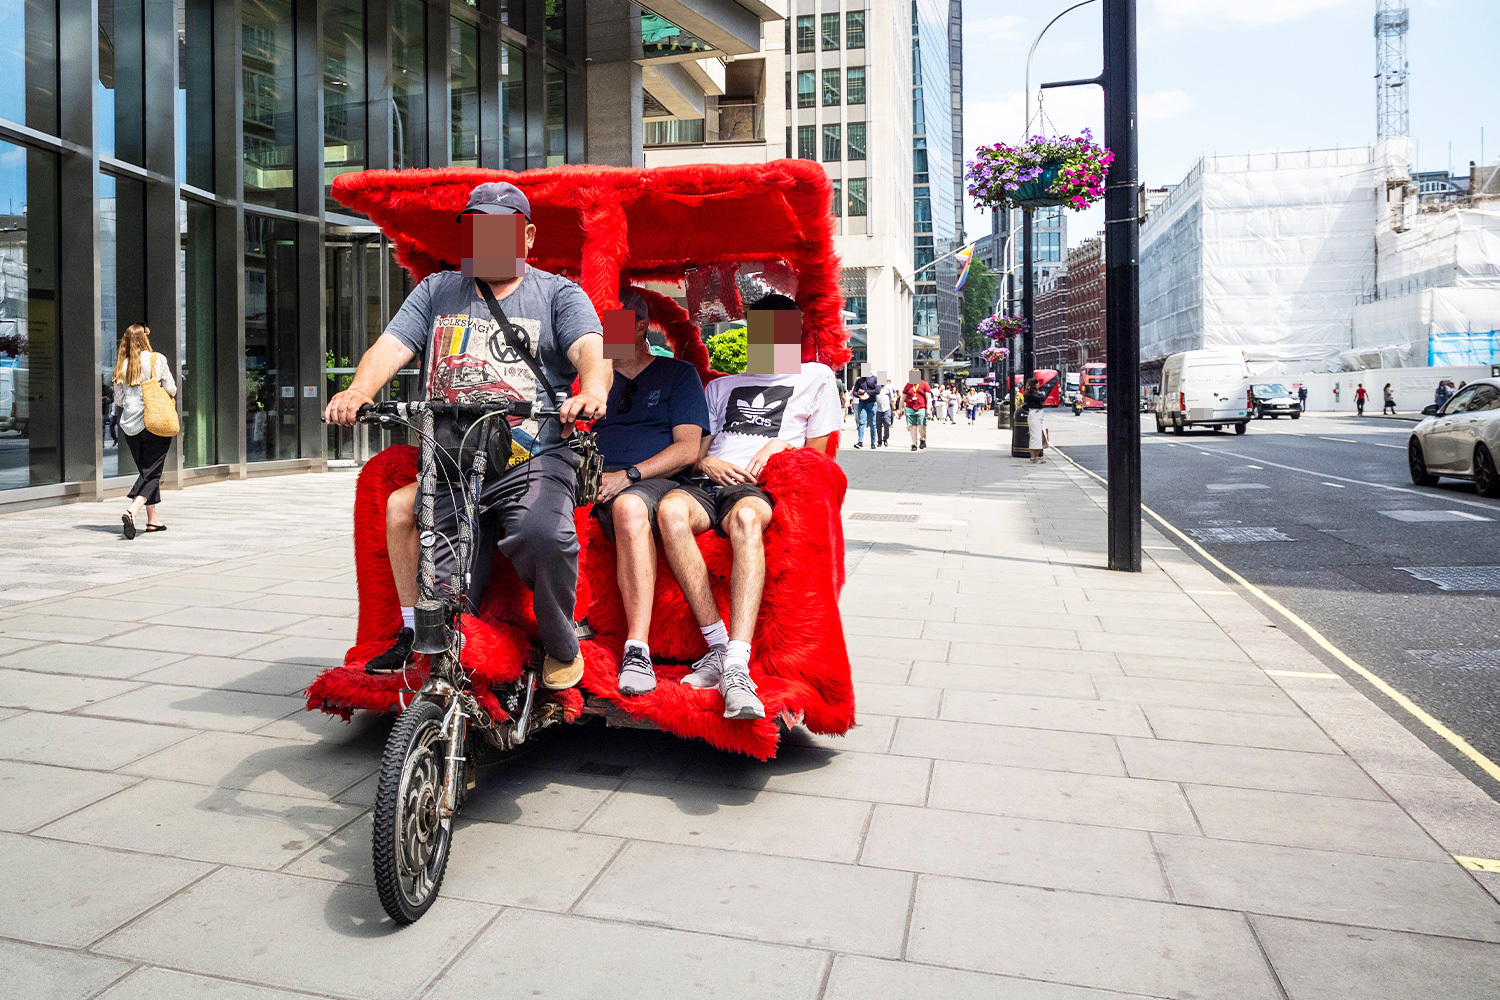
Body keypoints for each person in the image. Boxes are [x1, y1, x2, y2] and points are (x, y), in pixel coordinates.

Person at [324, 181, 610, 691]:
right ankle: (414, 633)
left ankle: (562, 642)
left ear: (527, 237)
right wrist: (358, 389)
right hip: (453, 462)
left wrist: (592, 390)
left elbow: (592, 348)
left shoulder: (558, 293)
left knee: (543, 534)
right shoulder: (437, 290)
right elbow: (391, 345)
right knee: (417, 538)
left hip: (533, 455)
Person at [650, 293, 843, 720]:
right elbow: (693, 450)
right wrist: (707, 460)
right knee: (670, 512)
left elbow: (821, 459)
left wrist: (779, 444)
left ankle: (737, 661)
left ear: (794, 335)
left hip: (758, 485)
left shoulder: (816, 378)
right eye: (762, 332)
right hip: (709, 479)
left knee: (745, 518)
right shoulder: (720, 386)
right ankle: (719, 648)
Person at [589, 289, 710, 696]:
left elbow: (689, 448)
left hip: (651, 481)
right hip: (591, 476)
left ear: (640, 326)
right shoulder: (594, 379)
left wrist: (631, 474)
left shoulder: (677, 375)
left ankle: (636, 648)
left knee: (629, 506)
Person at [112, 324, 176, 539]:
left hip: (130, 426)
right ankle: (132, 511)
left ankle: (153, 520)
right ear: (144, 338)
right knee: (152, 473)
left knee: (147, 472)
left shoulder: (122, 365)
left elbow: (119, 400)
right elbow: (171, 388)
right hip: (154, 422)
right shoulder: (156, 359)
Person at [902, 370, 931, 451]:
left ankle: (922, 438)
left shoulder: (924, 384)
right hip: (910, 408)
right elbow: (903, 398)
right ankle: (914, 443)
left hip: (921, 408)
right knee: (912, 426)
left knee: (922, 426)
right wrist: (900, 409)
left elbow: (928, 397)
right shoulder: (908, 385)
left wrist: (928, 409)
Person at [851, 371, 879, 449]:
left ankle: (873, 442)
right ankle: (860, 441)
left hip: (872, 403)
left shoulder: (874, 379)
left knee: (873, 423)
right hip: (862, 403)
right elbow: (854, 392)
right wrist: (859, 395)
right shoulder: (859, 380)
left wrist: (866, 392)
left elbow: (878, 390)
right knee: (861, 422)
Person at [1024, 377, 1047, 464]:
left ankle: (1036, 456)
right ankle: (1033, 457)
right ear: (1035, 384)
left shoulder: (1035, 393)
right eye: (1037, 384)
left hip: (1039, 415)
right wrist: (1040, 395)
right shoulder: (1030, 393)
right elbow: (1041, 398)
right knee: (1035, 437)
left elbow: (1042, 398)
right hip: (1034, 415)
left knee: (1042, 436)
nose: (1039, 385)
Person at [875, 377, 894, 447]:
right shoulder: (876, 387)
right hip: (878, 409)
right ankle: (879, 441)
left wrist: (894, 409)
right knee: (878, 426)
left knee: (886, 423)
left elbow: (892, 398)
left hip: (887, 408)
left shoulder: (888, 387)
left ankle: (885, 438)